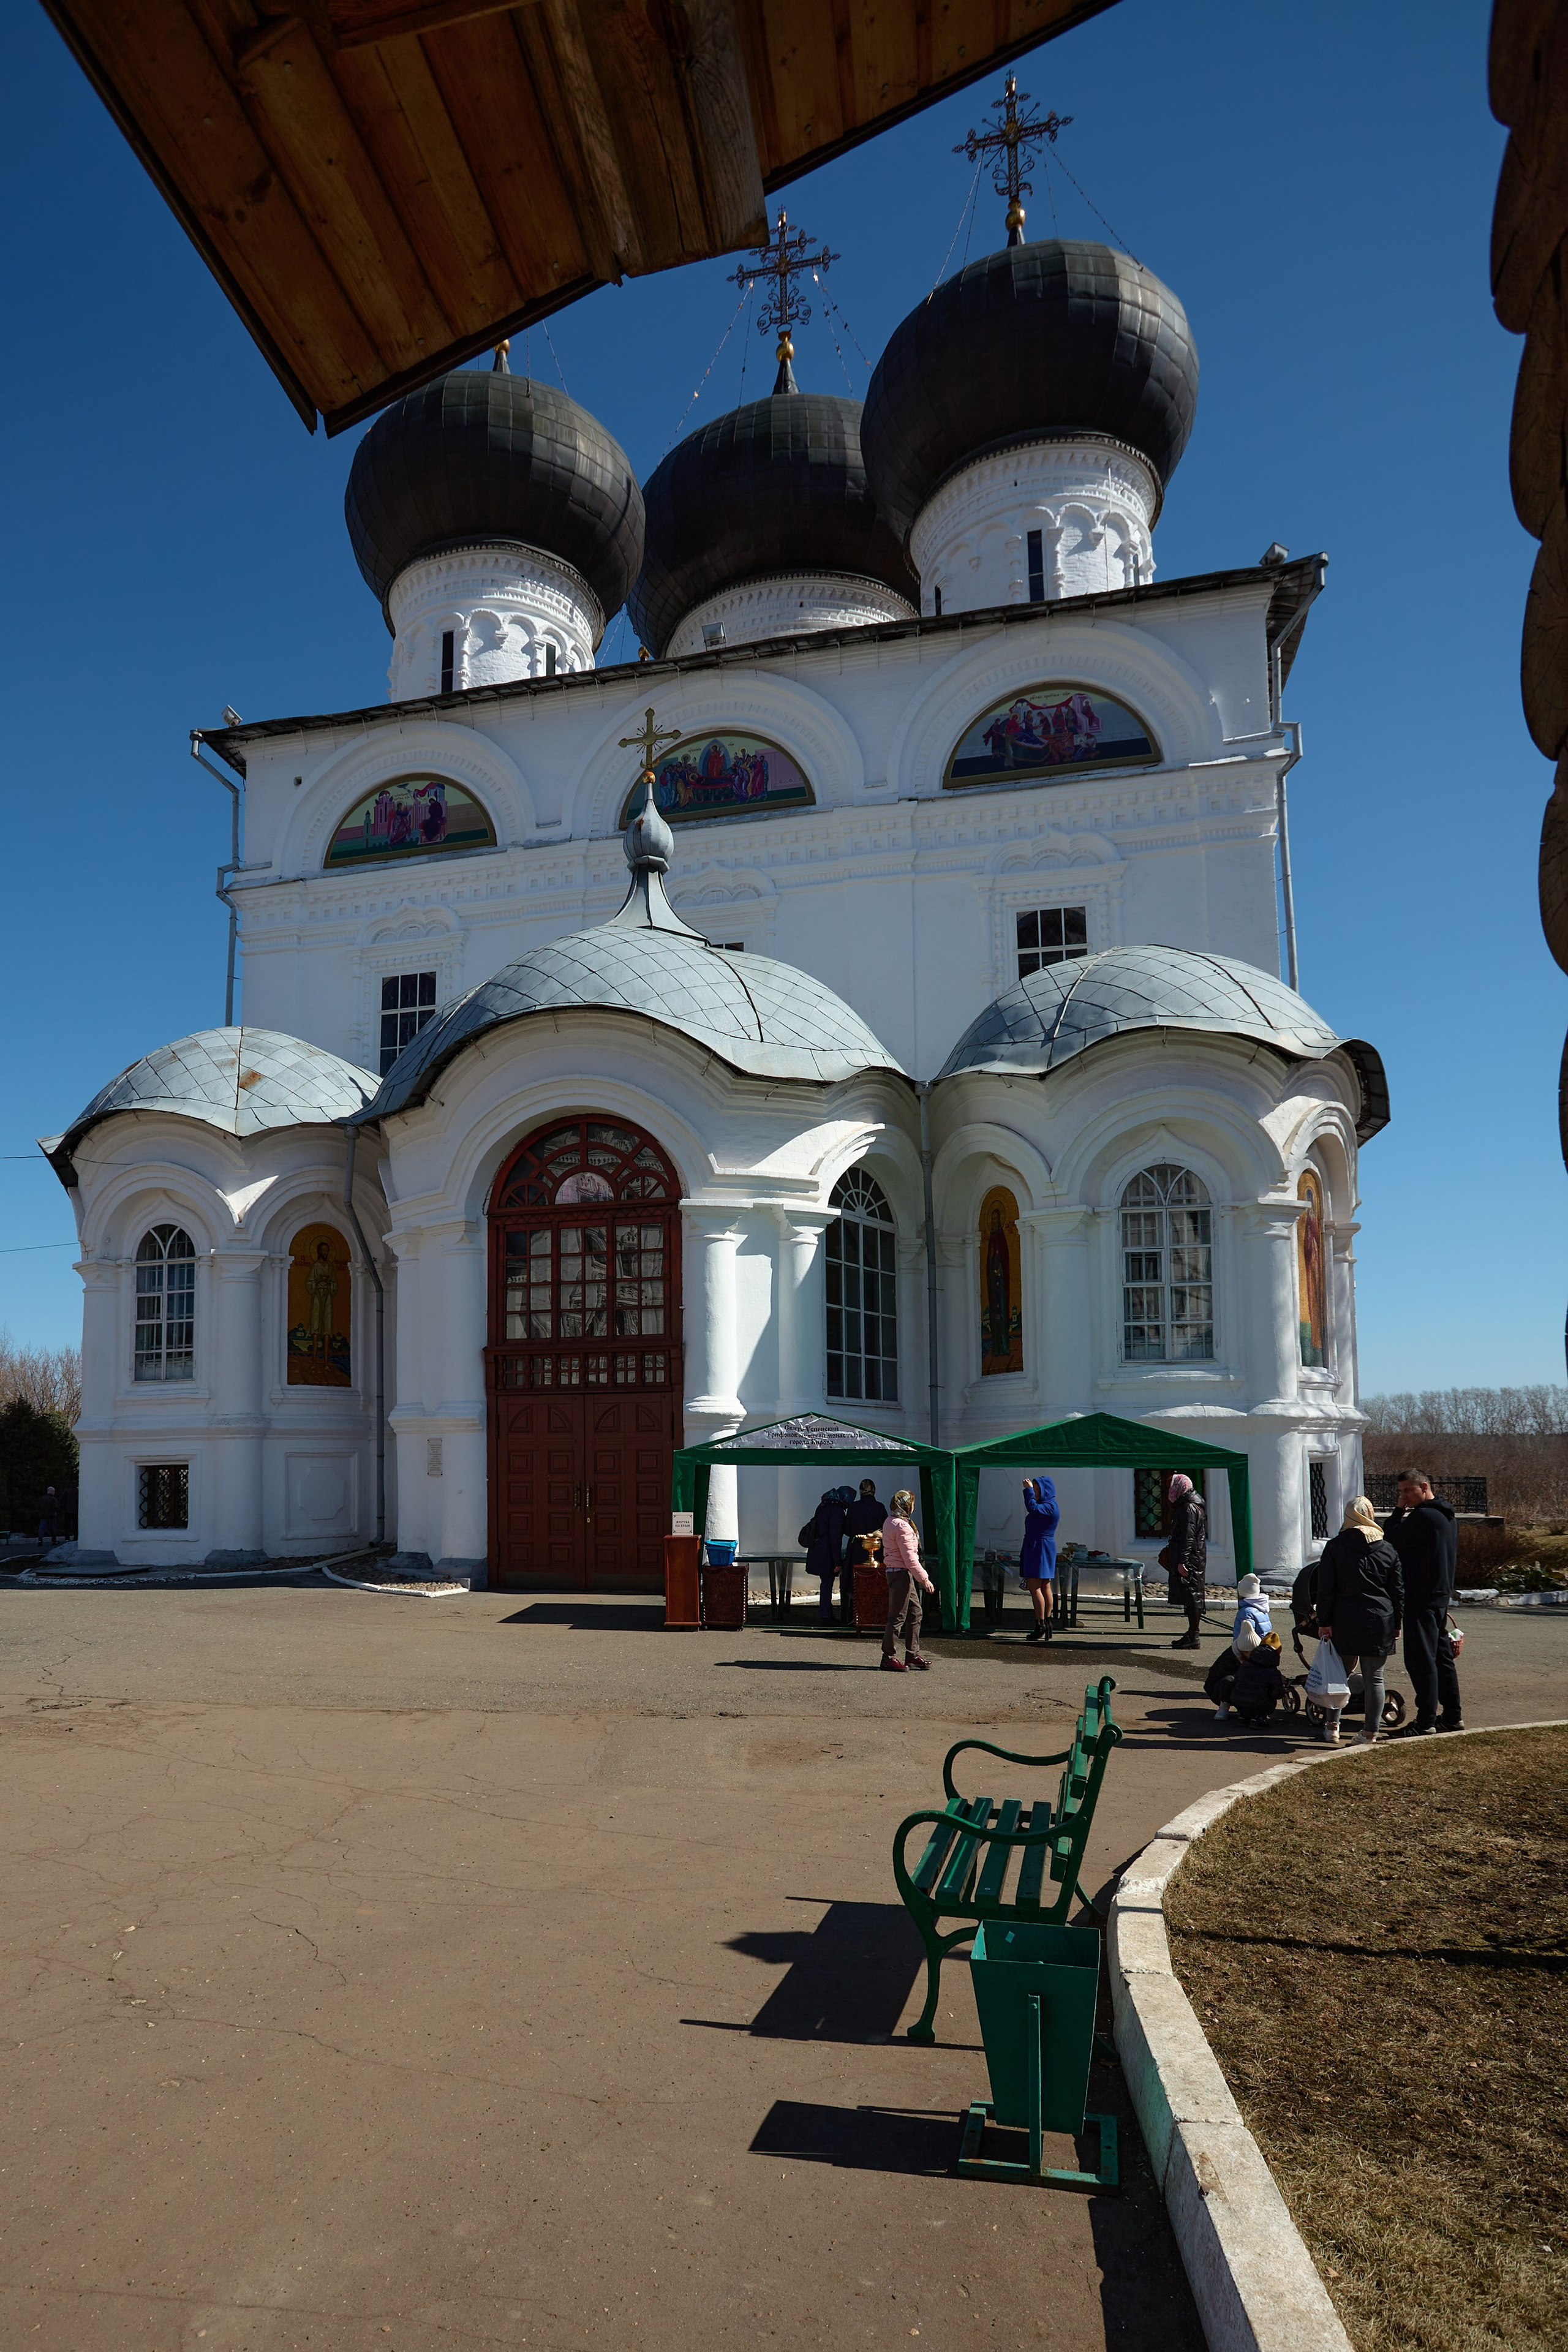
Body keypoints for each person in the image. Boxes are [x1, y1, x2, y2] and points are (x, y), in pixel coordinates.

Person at [1315, 1495, 1404, 1747]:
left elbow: (1326, 1588)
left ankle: (1332, 1726)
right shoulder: (1387, 1549)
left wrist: (1324, 1620)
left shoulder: (1335, 1546)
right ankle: (1369, 1733)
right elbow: (1397, 1590)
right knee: (1375, 1678)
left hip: (1345, 1618)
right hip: (1380, 1618)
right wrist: (1397, 1621)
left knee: (1339, 1674)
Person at [1383, 1470, 1461, 1733]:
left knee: (1420, 1660)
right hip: (1439, 1595)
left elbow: (1390, 1537)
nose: (1403, 1497)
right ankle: (1452, 1716)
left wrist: (1397, 1511)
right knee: (1440, 1657)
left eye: (1407, 1491)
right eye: (1400, 1492)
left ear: (1424, 1487)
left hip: (1421, 1596)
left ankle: (1426, 1721)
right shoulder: (1446, 1516)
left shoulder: (1423, 1517)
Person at [880, 1489, 935, 1673]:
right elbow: (910, 1558)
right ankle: (888, 1657)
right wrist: (925, 1579)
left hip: (900, 1573)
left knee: (915, 1613)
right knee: (897, 1617)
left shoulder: (891, 1521)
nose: (913, 1507)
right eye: (911, 1503)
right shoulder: (902, 1526)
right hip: (901, 1574)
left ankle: (912, 1654)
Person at [1207, 1574, 1272, 1721]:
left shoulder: (1246, 1611)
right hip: (1261, 1649)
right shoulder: (1261, 1607)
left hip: (1245, 1647)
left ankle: (1224, 1705)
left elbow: (1246, 1633)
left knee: (1224, 1675)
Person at [1162, 1474, 1207, 1649]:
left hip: (1192, 1559)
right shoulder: (1187, 1506)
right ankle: (1191, 1634)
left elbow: (1189, 1537)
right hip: (1192, 1557)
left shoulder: (1189, 1507)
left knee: (1193, 1596)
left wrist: (1183, 1561)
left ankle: (1194, 1636)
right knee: (1189, 1596)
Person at [1019, 1476, 1059, 1643]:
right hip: (1042, 1546)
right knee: (1045, 1585)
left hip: (1039, 1547)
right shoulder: (1050, 1505)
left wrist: (1028, 1491)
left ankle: (1040, 1624)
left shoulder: (1049, 1505)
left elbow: (1032, 1508)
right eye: (1034, 1490)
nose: (1035, 1493)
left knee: (1035, 1586)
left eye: (1037, 1490)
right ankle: (1047, 1622)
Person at [844, 1480, 888, 1626]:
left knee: (856, 1582)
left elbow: (848, 1530)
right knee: (876, 1582)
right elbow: (885, 1529)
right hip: (878, 1548)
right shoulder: (880, 1507)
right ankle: (876, 1613)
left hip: (857, 1548)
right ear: (874, 1490)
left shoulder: (854, 1507)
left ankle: (854, 1616)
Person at [805, 1488, 848, 1625]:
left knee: (825, 1583)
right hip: (827, 1554)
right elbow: (835, 1538)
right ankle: (826, 1616)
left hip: (818, 1551)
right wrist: (837, 1562)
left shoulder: (823, 1506)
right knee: (827, 1583)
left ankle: (827, 1614)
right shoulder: (837, 1511)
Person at [37, 1485, 59, 1549]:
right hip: (51, 1516)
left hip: (43, 1515)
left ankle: (40, 1540)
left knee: (42, 1529)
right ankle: (54, 1541)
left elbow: (39, 1507)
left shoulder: (42, 1499)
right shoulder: (53, 1499)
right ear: (52, 1492)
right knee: (53, 1529)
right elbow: (55, 1507)